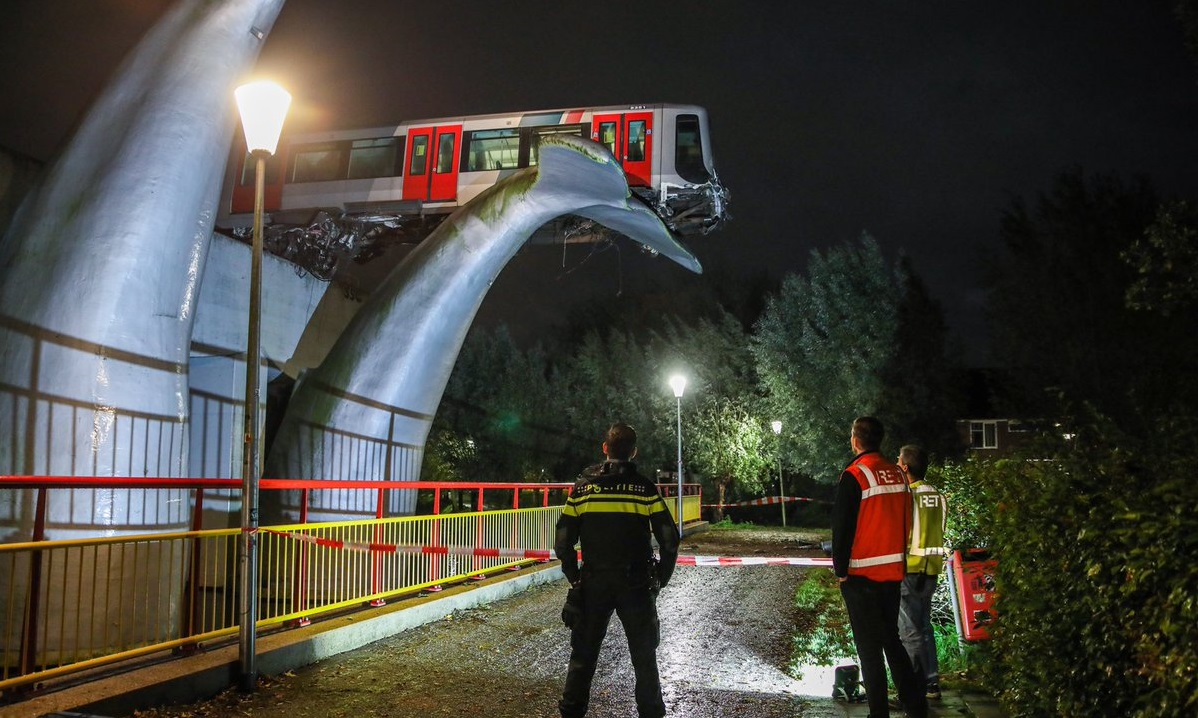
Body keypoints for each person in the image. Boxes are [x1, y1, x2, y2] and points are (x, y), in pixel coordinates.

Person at [554, 422, 680, 718]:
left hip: (593, 582)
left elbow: (563, 543)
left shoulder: (583, 490)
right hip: (635, 584)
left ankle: (571, 712)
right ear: (633, 452)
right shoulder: (644, 489)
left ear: (604, 449)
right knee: (644, 658)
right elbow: (670, 541)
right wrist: (661, 577)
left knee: (583, 657)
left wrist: (576, 579)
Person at [832, 417, 928, 718]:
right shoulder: (898, 475)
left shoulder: (855, 475)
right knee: (892, 641)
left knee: (869, 651)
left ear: (856, 440)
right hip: (892, 574)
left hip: (861, 576)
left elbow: (842, 528)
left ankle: (879, 714)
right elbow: (906, 522)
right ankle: (916, 706)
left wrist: (841, 570)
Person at [897, 444, 949, 700]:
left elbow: (900, 532)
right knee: (926, 628)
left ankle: (914, 689)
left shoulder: (908, 495)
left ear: (905, 467)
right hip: (931, 568)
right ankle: (932, 683)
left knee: (910, 631)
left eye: (898, 460)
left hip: (909, 567)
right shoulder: (938, 495)